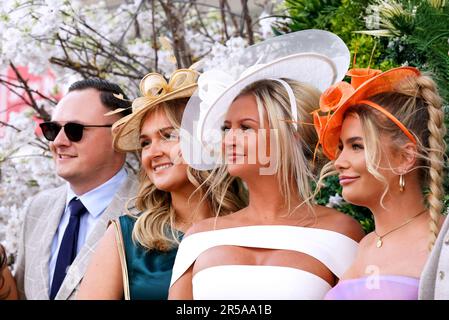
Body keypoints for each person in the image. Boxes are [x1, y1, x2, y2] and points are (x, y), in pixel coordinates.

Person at [168, 30, 364, 300]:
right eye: (226, 128)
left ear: (290, 134)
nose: (229, 140)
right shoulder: (199, 236)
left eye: (245, 128)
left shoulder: (342, 231)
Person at [76, 69, 248, 300]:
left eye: (168, 136)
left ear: (206, 140)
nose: (152, 153)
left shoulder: (251, 230)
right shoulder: (127, 237)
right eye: (145, 143)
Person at [312, 66, 446, 299]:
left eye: (356, 146)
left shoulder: (443, 242)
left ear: (405, 158)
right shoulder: (363, 246)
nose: (339, 162)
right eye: (341, 147)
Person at [14, 79, 139, 300]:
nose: (58, 142)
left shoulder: (153, 210)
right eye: (52, 129)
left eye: (75, 130)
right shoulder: (37, 209)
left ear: (120, 135)